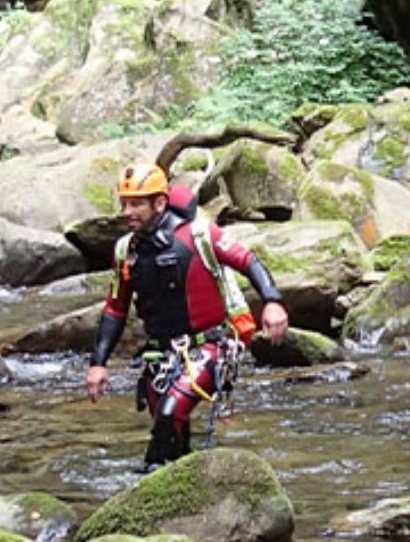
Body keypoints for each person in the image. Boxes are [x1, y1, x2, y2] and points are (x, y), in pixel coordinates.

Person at [85, 162, 290, 466]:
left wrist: (272, 302)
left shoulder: (198, 235)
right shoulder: (125, 251)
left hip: (211, 345)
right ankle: (189, 495)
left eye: (136, 204)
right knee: (171, 433)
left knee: (169, 414)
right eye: (124, 203)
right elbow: (116, 309)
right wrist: (98, 364)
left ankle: (146, 489)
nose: (127, 211)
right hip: (160, 356)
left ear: (160, 203)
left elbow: (248, 261)